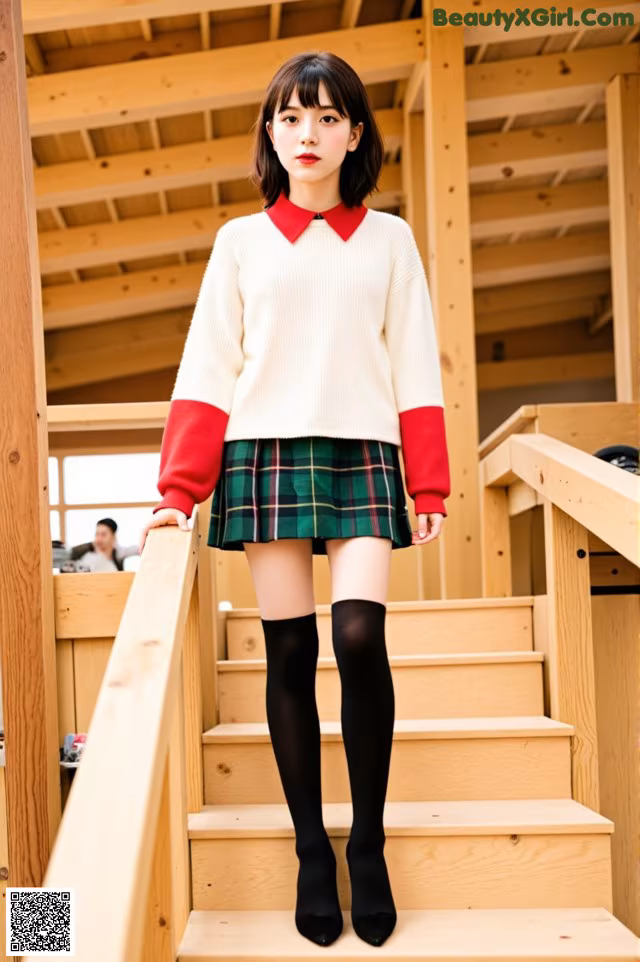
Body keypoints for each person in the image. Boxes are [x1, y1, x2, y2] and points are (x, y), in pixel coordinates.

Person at [140, 51, 451, 948]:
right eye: (289, 118)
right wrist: (179, 490)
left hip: (364, 452)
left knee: (358, 636)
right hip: (264, 448)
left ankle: (370, 845)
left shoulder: (390, 239)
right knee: (287, 653)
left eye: (325, 117)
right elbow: (208, 366)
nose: (306, 135)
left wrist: (427, 478)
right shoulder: (241, 241)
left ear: (357, 133)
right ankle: (313, 849)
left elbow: (417, 366)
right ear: (270, 134)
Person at [67, 517, 140, 573]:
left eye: (103, 535)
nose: (99, 539)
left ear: (113, 536)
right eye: (97, 534)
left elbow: (138, 549)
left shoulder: (118, 552)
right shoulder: (87, 557)